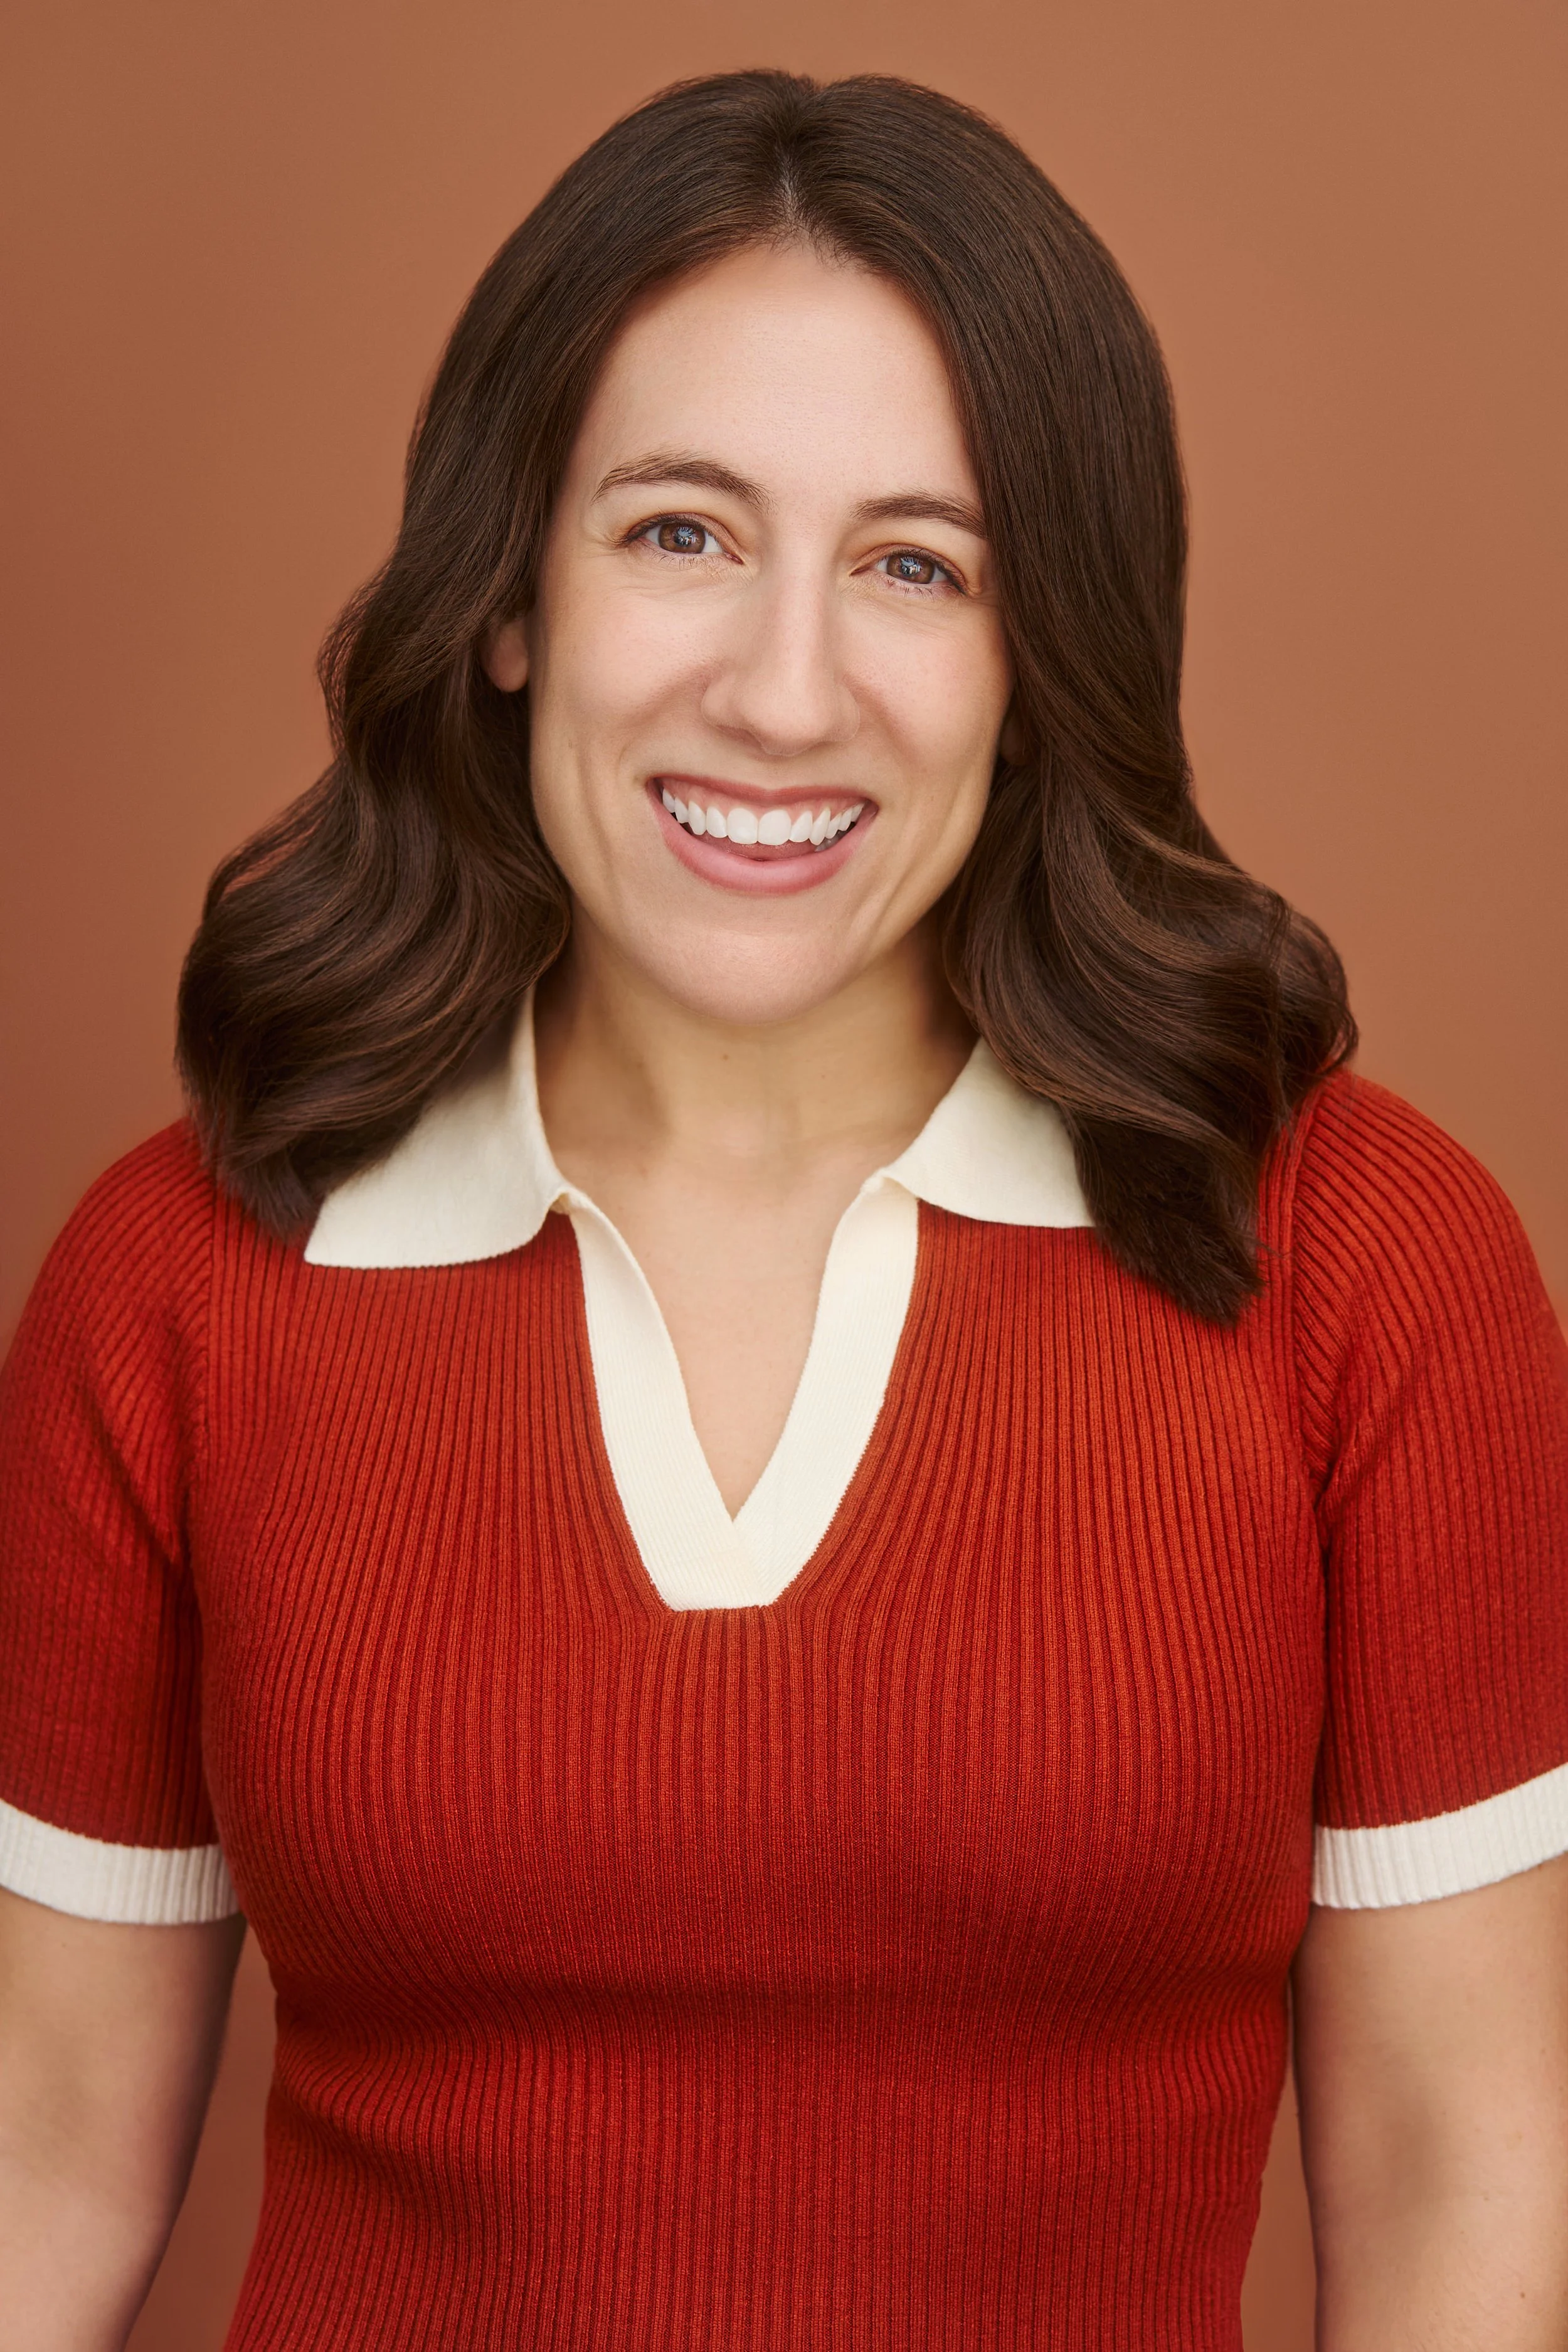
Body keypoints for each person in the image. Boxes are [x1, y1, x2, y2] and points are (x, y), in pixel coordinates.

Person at [1, 68, 1565, 2352]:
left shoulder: (1365, 1266)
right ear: (510, 591)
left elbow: (1457, 2193)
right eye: (679, 532)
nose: (782, 688)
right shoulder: (184, 1277)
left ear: (1041, 677)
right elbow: (41, 2159)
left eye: (917, 566)